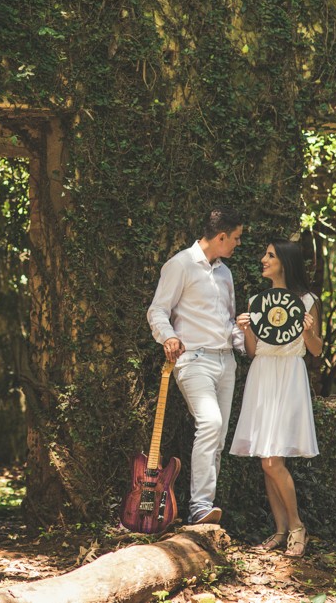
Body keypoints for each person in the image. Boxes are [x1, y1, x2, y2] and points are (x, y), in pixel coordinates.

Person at [147, 207, 245, 526]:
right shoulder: (181, 264)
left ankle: (205, 506)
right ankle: (199, 507)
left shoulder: (225, 273)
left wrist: (247, 340)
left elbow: (228, 321)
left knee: (218, 438)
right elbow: (157, 310)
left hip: (226, 361)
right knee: (211, 423)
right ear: (221, 237)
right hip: (194, 360)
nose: (238, 244)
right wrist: (169, 336)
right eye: (236, 238)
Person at [230, 238, 323, 558]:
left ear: (285, 261)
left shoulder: (307, 300)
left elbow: (316, 350)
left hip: (289, 375)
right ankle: (281, 530)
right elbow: (253, 351)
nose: (263, 259)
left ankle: (297, 526)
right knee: (266, 459)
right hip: (263, 374)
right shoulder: (257, 301)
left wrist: (308, 332)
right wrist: (246, 329)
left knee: (272, 460)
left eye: (269, 255)